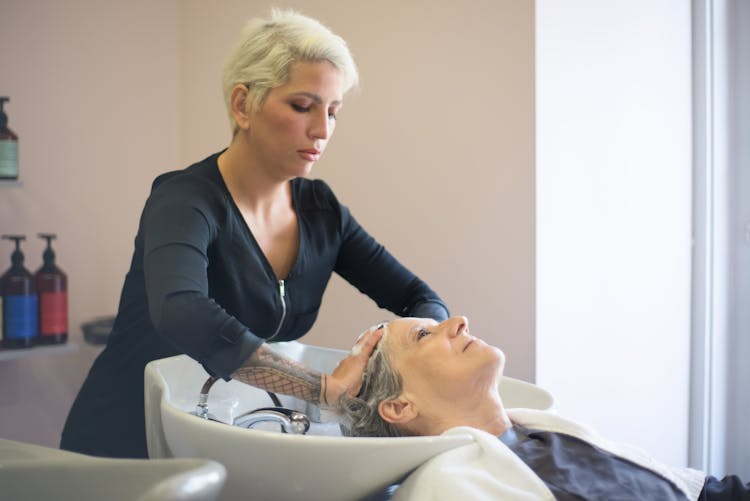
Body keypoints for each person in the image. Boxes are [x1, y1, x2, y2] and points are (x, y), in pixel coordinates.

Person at [60, 10, 448, 459]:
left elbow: (419, 297)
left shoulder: (322, 214)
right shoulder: (185, 199)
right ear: (243, 105)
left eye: (333, 112)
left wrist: (401, 349)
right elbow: (182, 310)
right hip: (124, 445)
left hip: (218, 440)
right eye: (302, 106)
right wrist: (320, 387)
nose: (322, 130)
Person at [340, 316, 750, 500]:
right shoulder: (450, 487)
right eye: (424, 334)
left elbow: (699, 491)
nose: (459, 321)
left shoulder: (548, 434)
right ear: (398, 406)